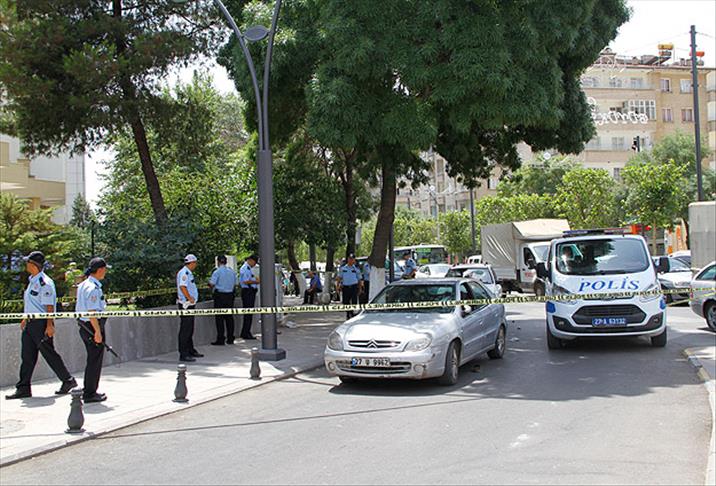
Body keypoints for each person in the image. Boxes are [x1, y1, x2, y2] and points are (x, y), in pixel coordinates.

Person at [6, 252, 77, 400]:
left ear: (34, 264)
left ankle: (68, 380)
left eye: (28, 262)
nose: (26, 265)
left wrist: (50, 325)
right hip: (30, 323)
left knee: (49, 353)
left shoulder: (45, 283)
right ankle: (23, 388)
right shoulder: (32, 280)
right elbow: (31, 303)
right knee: (27, 356)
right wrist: (25, 318)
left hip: (41, 323)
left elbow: (49, 306)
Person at [75, 257, 110, 403]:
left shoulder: (84, 284)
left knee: (92, 359)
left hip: (85, 325)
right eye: (105, 269)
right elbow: (92, 312)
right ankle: (90, 393)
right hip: (92, 326)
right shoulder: (93, 288)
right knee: (94, 360)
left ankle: (89, 390)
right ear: (100, 270)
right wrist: (97, 332)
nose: (105, 272)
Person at [176, 254, 204, 362]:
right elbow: (182, 286)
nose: (195, 265)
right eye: (195, 263)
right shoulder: (184, 273)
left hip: (190, 304)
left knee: (190, 328)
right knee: (185, 329)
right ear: (191, 263)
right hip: (186, 304)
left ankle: (190, 350)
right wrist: (189, 298)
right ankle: (183, 354)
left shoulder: (188, 272)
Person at [208, 255, 237, 345]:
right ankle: (230, 338)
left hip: (220, 296)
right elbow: (236, 283)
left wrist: (209, 285)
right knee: (229, 317)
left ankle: (221, 339)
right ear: (226, 262)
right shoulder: (232, 272)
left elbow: (212, 283)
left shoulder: (217, 272)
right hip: (230, 296)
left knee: (219, 318)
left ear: (218, 262)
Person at [239, 254, 260, 340]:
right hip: (248, 292)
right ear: (250, 260)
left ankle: (246, 332)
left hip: (249, 292)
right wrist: (256, 282)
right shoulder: (245, 268)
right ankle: (246, 333)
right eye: (254, 262)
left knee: (249, 313)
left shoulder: (248, 268)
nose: (254, 265)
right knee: (248, 313)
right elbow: (246, 281)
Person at [337, 254, 363, 319]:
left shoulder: (356, 269)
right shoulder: (343, 268)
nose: (351, 260)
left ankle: (351, 313)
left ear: (354, 260)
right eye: (350, 259)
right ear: (348, 259)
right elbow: (339, 278)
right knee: (345, 302)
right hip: (345, 287)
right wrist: (337, 286)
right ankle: (349, 313)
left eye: (352, 259)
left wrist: (360, 288)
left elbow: (359, 279)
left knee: (354, 301)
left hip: (354, 287)